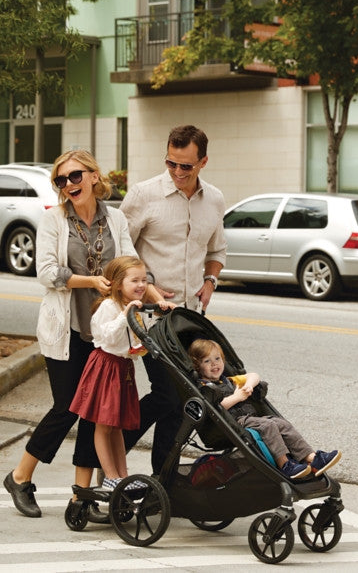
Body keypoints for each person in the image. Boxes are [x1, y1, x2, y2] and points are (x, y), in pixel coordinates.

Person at [3, 149, 137, 519]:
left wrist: (149, 291)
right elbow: (45, 272)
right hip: (67, 329)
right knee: (66, 408)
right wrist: (87, 281)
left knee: (96, 414)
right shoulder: (54, 221)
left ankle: (82, 496)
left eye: (75, 176)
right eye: (61, 180)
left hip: (104, 332)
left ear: (94, 176)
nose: (68, 185)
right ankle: (20, 477)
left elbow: (130, 263)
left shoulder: (117, 219)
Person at [120, 125, 227, 473]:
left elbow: (217, 249)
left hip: (190, 319)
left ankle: (162, 479)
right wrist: (147, 286)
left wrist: (210, 280)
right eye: (171, 164)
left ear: (203, 162)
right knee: (167, 394)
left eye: (187, 166)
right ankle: (109, 452)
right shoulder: (143, 194)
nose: (178, 173)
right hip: (150, 317)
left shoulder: (214, 199)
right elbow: (121, 251)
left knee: (182, 402)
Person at [69, 256, 175, 490]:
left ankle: (122, 475)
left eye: (144, 280)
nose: (141, 285)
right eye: (134, 280)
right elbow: (104, 337)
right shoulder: (109, 306)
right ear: (118, 284)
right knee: (104, 426)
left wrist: (159, 309)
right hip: (106, 367)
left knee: (117, 425)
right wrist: (124, 315)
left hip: (123, 369)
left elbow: (139, 337)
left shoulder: (135, 306)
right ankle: (109, 475)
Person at [188, 338, 341, 480]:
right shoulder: (204, 388)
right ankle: (285, 464)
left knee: (280, 423)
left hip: (250, 418)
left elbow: (254, 375)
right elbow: (213, 408)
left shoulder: (229, 380)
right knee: (267, 426)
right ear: (197, 366)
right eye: (207, 361)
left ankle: (312, 459)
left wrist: (248, 385)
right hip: (233, 422)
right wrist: (238, 396)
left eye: (217, 359)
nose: (214, 364)